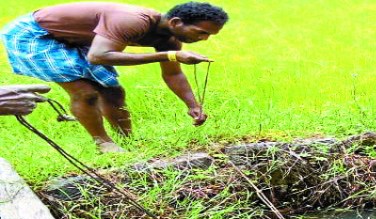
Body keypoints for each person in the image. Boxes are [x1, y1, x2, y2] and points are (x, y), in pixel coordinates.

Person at [0, 2, 228, 153]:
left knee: (113, 91)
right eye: (201, 32)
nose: (204, 39)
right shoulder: (133, 21)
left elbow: (173, 73)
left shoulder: (169, 39)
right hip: (36, 35)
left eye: (209, 35)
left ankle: (128, 141)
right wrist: (170, 55)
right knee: (86, 92)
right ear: (176, 22)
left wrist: (192, 105)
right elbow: (99, 56)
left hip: (76, 39)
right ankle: (104, 143)